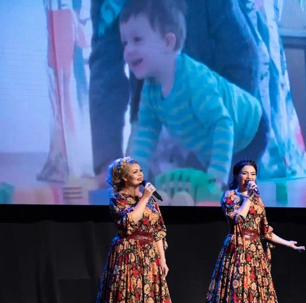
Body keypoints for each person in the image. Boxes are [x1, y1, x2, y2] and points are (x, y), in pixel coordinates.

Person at [88, 0, 269, 179]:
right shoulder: (150, 93)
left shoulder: (198, 83)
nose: (127, 51)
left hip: (241, 129)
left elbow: (242, 59)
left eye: (136, 40)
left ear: (169, 41)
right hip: (187, 116)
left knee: (211, 190)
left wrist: (215, 175)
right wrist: (115, 165)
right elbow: (145, 133)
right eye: (125, 43)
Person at [199, 160, 304, 303]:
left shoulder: (258, 201)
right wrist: (248, 197)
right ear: (236, 176)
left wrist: (287, 243)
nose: (249, 177)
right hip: (236, 250)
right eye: (245, 173)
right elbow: (236, 218)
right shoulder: (229, 196)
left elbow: (264, 231)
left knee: (257, 299)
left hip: (255, 253)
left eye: (253, 174)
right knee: (236, 296)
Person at [89, 156, 182, 303]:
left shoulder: (151, 200)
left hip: (149, 255)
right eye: (134, 172)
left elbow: (158, 230)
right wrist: (144, 197)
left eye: (141, 170)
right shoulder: (117, 199)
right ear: (123, 177)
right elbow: (128, 223)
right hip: (128, 254)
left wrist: (163, 259)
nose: (140, 174)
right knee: (129, 302)